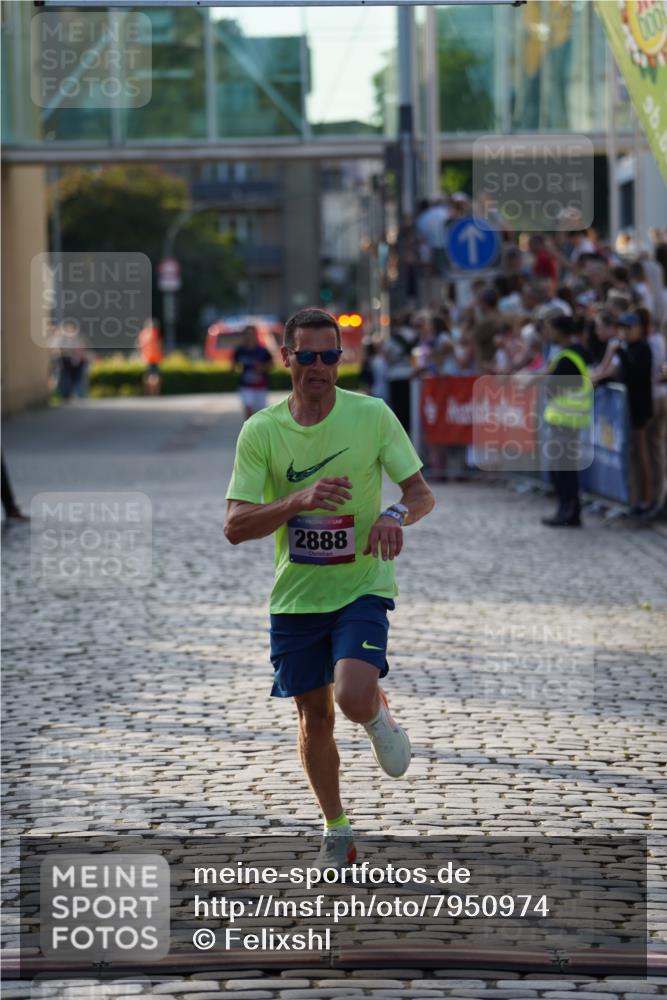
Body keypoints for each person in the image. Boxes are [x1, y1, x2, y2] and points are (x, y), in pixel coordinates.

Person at [224, 307, 434, 869]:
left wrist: (393, 514)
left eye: (330, 356)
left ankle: (375, 711)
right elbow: (235, 527)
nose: (319, 367)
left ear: (342, 360)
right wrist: (297, 499)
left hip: (362, 583)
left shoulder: (372, 416)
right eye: (308, 356)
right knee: (314, 718)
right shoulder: (262, 432)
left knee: (351, 695)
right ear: (286, 358)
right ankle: (336, 828)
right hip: (295, 598)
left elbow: (420, 493)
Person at [541, 314, 593, 527]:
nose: (548, 333)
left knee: (563, 469)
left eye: (550, 329)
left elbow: (553, 389)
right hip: (571, 419)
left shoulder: (566, 358)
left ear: (559, 331)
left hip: (565, 419)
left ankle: (568, 511)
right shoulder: (576, 352)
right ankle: (568, 510)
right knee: (564, 468)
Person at [233, 325, 273, 420]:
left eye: (251, 334)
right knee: (249, 410)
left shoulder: (262, 350)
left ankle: (258, 433)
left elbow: (271, 364)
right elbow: (234, 365)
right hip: (246, 386)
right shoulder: (240, 351)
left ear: (255, 335)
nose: (249, 336)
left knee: (260, 414)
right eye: (247, 334)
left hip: (260, 386)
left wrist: (262, 368)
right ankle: (249, 432)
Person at [137, 318, 163, 397]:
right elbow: (159, 345)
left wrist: (141, 356)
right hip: (155, 358)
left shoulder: (142, 334)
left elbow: (139, 346)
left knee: (148, 376)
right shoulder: (154, 333)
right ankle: (154, 393)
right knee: (155, 377)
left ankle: (148, 392)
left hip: (146, 358)